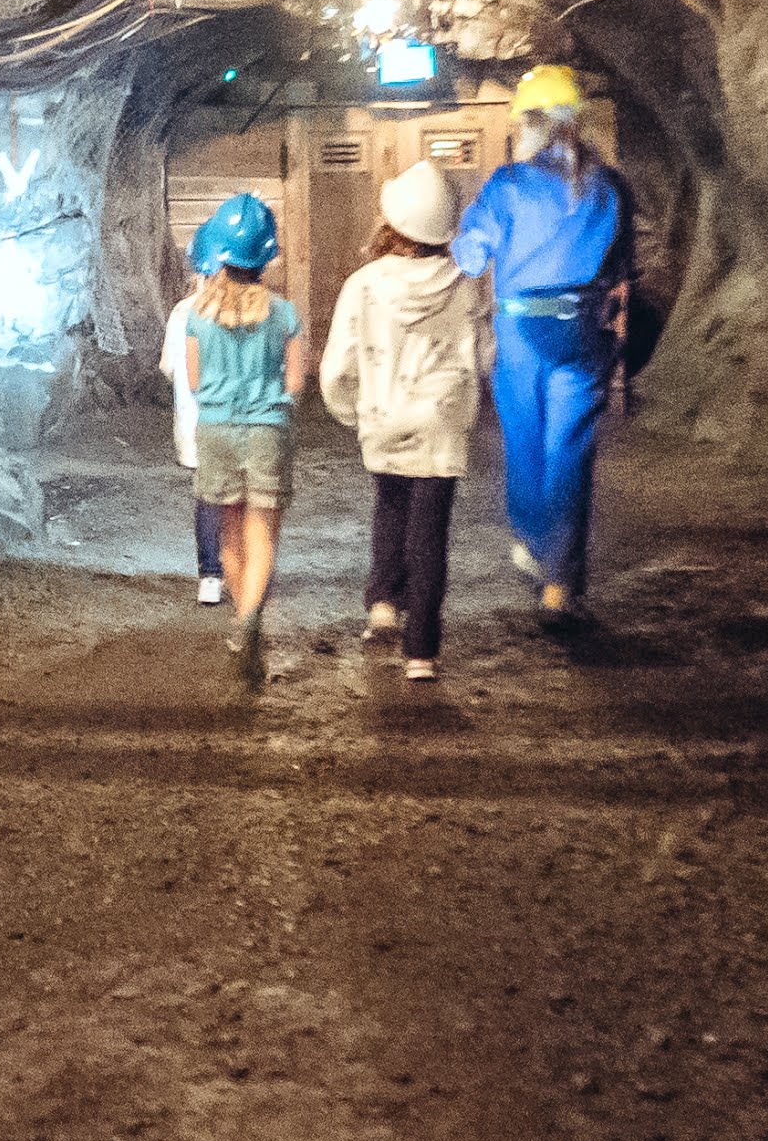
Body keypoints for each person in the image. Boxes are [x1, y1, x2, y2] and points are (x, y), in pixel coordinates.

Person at [452, 62, 637, 620]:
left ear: (530, 124)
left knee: (527, 447)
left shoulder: (509, 184)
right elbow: (623, 268)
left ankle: (534, 547)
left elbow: (469, 254)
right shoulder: (610, 187)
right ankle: (562, 580)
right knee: (570, 452)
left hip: (523, 327)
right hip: (583, 326)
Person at [317, 160, 485, 681]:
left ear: (394, 225)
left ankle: (383, 604)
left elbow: (338, 364)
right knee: (430, 533)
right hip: (439, 423)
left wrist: (349, 410)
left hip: (383, 417)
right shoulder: (466, 285)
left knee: (389, 505)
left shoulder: (364, 284)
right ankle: (421, 652)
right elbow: (482, 355)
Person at [176, 190, 304, 678]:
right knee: (263, 534)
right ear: (264, 257)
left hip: (217, 432)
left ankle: (240, 619)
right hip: (267, 432)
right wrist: (270, 401)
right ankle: (253, 618)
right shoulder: (285, 314)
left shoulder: (196, 316)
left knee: (228, 533)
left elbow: (192, 382)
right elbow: (295, 382)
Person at [159, 213, 230, 607]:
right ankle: (244, 570)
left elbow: (170, 368)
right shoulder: (259, 311)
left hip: (197, 426)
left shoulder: (182, 312)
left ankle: (210, 574)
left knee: (209, 499)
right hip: (240, 422)